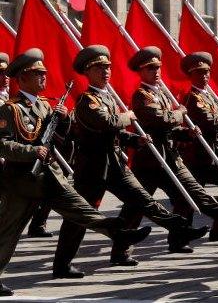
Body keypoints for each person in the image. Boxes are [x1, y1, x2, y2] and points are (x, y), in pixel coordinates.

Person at [0, 49, 151, 295]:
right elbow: (2, 143)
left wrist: (63, 120)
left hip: (50, 176)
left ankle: (120, 234)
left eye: (44, 74)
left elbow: (65, 137)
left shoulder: (45, 106)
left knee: (82, 210)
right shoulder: (10, 109)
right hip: (21, 180)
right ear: (23, 78)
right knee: (8, 231)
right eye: (37, 75)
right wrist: (31, 151)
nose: (43, 78)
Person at [53, 45, 207, 275]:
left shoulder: (106, 98)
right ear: (87, 72)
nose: (105, 72)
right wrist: (127, 117)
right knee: (79, 218)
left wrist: (135, 140)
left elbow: (113, 132)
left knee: (143, 199)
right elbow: (106, 123)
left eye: (107, 68)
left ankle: (178, 228)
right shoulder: (87, 101)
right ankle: (62, 264)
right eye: (99, 68)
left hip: (115, 164)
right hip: (93, 168)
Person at [115, 47, 218, 257]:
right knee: (136, 206)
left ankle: (181, 238)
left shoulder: (161, 93)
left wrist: (186, 133)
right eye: (150, 68)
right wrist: (179, 114)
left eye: (158, 68)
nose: (156, 72)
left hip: (169, 157)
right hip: (149, 161)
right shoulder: (141, 95)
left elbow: (169, 129)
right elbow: (160, 120)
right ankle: (121, 250)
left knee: (184, 197)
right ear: (141, 72)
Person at [181, 52, 218, 201]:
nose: (204, 76)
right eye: (199, 73)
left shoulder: (210, 96)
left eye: (206, 72)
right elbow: (210, 121)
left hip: (216, 151)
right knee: (190, 197)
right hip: (200, 154)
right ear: (191, 75)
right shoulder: (192, 98)